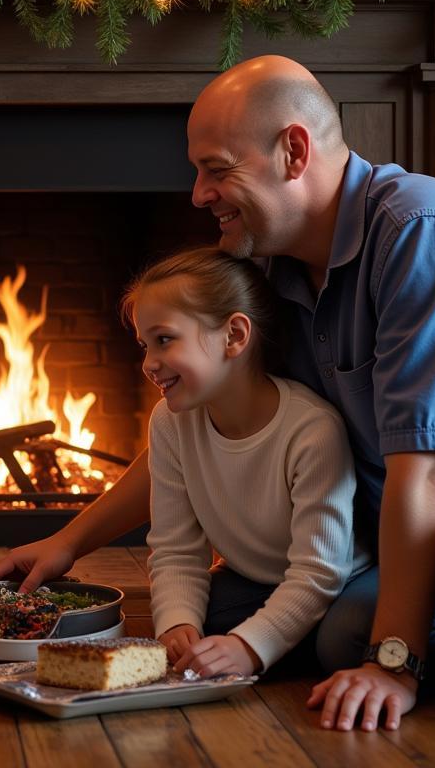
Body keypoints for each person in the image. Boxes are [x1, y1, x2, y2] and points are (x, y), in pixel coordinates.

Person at [0, 54, 435, 763]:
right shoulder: (270, 264)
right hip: (397, 518)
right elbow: (188, 427)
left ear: (293, 151)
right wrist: (69, 541)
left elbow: (425, 472)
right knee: (329, 635)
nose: (199, 194)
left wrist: (394, 661)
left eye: (216, 168)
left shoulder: (423, 235)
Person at [124, 246, 366, 678]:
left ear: (234, 335)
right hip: (255, 580)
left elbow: (318, 572)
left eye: (164, 340)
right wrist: (178, 622)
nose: (148, 363)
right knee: (197, 621)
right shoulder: (170, 423)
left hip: (341, 579)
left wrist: (249, 647)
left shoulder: (312, 431)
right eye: (145, 345)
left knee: (342, 641)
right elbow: (177, 549)